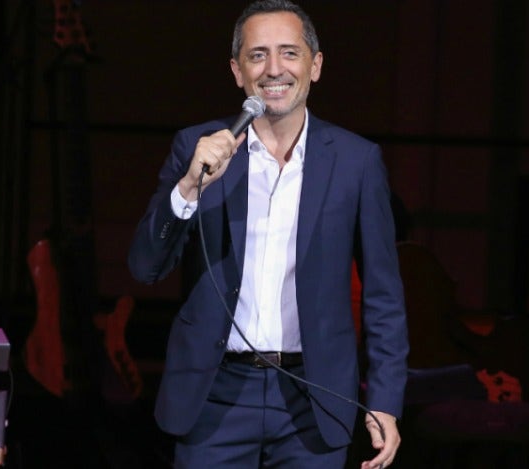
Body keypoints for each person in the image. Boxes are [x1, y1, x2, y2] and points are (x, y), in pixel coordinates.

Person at [127, 1, 408, 467]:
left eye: (289, 53)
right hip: (214, 393)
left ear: (315, 66)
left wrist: (385, 400)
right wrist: (189, 186)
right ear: (237, 71)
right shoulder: (198, 149)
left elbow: (383, 294)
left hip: (314, 396)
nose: (274, 69)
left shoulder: (356, 162)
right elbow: (145, 267)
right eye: (257, 55)